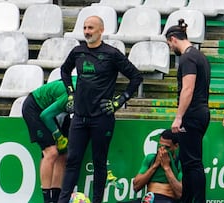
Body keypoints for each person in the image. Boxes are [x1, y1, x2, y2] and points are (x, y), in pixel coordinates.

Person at [57, 15, 143, 203]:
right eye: (85, 27)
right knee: (72, 161)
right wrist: (70, 92)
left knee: (99, 163)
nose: (87, 31)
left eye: (91, 28)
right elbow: (64, 70)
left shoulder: (112, 54)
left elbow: (136, 77)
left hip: (102, 118)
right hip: (79, 117)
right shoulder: (77, 52)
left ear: (101, 30)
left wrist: (119, 101)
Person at [166, 19, 211, 202]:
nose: (170, 48)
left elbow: (188, 88)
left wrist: (179, 117)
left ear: (173, 39)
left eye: (169, 44)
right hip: (200, 112)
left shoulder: (188, 57)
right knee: (188, 162)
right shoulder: (200, 56)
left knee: (192, 163)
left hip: (192, 114)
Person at [22, 76, 77, 203]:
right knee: (51, 152)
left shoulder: (89, 86)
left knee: (63, 154)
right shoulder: (73, 95)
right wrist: (58, 136)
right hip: (35, 108)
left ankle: (56, 198)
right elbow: (45, 116)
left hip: (51, 110)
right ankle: (47, 200)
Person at [133, 129, 182, 203]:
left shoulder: (180, 163)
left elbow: (180, 193)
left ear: (176, 146)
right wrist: (154, 166)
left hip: (167, 199)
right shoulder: (150, 158)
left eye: (167, 147)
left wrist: (167, 168)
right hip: (149, 198)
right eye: (160, 146)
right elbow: (136, 187)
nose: (162, 150)